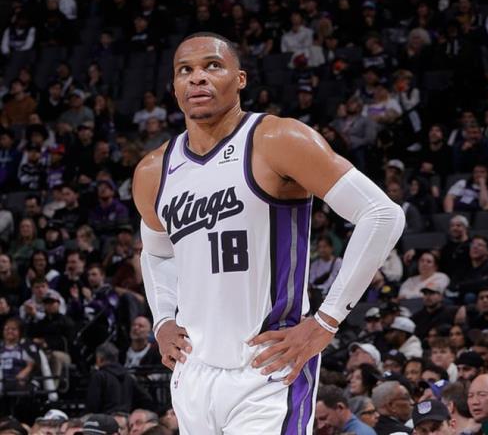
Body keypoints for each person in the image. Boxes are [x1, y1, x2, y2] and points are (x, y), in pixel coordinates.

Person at [132, 32, 404, 434]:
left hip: (268, 368)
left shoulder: (277, 139)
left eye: (212, 66)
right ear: (174, 87)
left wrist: (326, 322)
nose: (197, 78)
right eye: (184, 70)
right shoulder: (154, 170)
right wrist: (161, 322)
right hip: (192, 371)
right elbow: (156, 254)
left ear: (240, 78)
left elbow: (382, 214)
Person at [85, 343, 153, 414]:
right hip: (125, 417)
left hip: (105, 418)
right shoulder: (128, 376)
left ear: (100, 359)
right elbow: (147, 398)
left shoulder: (99, 376)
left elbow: (92, 405)